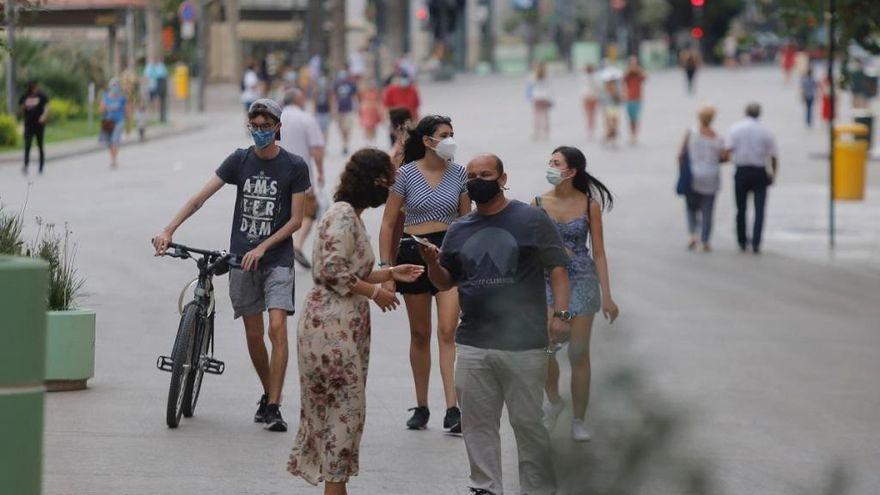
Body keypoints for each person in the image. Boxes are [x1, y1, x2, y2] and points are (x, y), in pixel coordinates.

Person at [152, 99, 310, 432]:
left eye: (266, 127)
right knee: (254, 334)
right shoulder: (240, 160)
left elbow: (296, 220)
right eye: (254, 126)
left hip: (277, 258)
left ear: (278, 127)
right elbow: (199, 198)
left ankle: (275, 406)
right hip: (241, 258)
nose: (260, 133)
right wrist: (168, 229)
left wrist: (265, 246)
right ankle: (269, 394)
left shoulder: (295, 166)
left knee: (276, 328)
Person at [421, 153, 571, 495]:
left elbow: (558, 268)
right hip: (474, 342)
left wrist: (561, 315)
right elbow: (445, 281)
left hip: (524, 343)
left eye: (485, 174)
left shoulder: (531, 219)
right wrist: (432, 263)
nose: (477, 180)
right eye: (472, 175)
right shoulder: (459, 228)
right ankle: (485, 487)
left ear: (502, 178)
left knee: (528, 423)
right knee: (478, 425)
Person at [287, 148, 424, 495]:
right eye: (387, 182)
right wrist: (375, 293)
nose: (390, 190)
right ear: (371, 182)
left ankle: (337, 488)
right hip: (330, 329)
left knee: (342, 416)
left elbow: (352, 270)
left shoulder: (352, 216)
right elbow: (331, 271)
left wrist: (391, 273)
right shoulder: (343, 214)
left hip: (341, 326)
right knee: (343, 415)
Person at [379, 115, 470, 432]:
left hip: (449, 251)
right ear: (428, 140)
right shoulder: (405, 175)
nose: (450, 140)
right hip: (413, 250)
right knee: (420, 333)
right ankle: (421, 405)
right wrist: (386, 269)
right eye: (444, 134)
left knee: (448, 330)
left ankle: (452, 407)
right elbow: (389, 223)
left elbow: (466, 220)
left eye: (452, 134)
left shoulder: (460, 174)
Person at [535, 146, 619, 443]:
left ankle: (579, 419)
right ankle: (554, 400)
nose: (551, 166)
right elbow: (528, 247)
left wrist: (607, 295)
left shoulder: (589, 205)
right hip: (547, 281)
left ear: (571, 171)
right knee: (545, 348)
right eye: (550, 161)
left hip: (582, 281)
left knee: (578, 353)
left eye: (556, 162)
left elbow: (599, 252)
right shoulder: (537, 203)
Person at [280, 89, 326, 270]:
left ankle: (283, 247)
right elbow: (316, 149)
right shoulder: (307, 119)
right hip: (302, 176)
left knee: (282, 212)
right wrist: (321, 171)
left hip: (277, 173)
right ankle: (297, 245)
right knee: (308, 212)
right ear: (299, 100)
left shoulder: (276, 118)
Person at [725, 103, 779, 254]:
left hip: (741, 170)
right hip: (759, 171)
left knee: (740, 208)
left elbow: (728, 150)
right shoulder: (766, 131)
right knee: (759, 209)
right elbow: (773, 155)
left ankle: (742, 240)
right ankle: (756, 241)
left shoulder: (735, 129)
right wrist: (773, 173)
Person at [678, 106, 729, 251]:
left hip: (693, 175)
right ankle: (705, 240)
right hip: (711, 177)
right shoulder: (717, 138)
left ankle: (693, 233)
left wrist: (681, 171)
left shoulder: (691, 133)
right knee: (708, 209)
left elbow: (681, 154)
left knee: (691, 207)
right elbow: (725, 157)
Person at [19, 81, 49, 175]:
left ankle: (41, 166)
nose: (35, 88)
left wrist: (44, 116)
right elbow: (21, 107)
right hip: (28, 124)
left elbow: (47, 107)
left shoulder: (42, 96)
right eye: (33, 87)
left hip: (39, 125)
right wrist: (23, 108)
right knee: (27, 145)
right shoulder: (25, 96)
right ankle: (26, 165)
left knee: (40, 145)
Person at [99, 78, 129, 169]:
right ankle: (113, 158)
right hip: (109, 122)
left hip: (119, 122)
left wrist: (128, 124)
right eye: (113, 86)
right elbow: (100, 110)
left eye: (117, 86)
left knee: (115, 141)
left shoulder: (122, 98)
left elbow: (127, 111)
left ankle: (114, 160)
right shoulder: (106, 97)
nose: (115, 88)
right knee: (109, 142)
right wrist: (105, 107)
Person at [333, 70, 358, 155]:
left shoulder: (351, 84)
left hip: (348, 110)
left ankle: (345, 145)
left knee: (347, 128)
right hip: (340, 110)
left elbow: (354, 97)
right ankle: (344, 143)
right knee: (341, 129)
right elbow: (334, 97)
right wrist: (334, 109)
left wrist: (356, 108)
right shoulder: (337, 84)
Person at [622, 55, 646, 145]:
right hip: (629, 98)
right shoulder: (627, 73)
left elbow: (645, 77)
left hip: (638, 98)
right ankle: (631, 134)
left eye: (635, 63)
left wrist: (638, 69)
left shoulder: (639, 73)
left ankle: (634, 135)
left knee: (635, 118)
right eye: (632, 63)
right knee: (630, 118)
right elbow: (623, 79)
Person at [528, 62, 553, 141]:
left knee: (537, 116)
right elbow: (549, 88)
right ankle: (546, 133)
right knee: (545, 116)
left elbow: (530, 86)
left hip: (536, 97)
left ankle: (536, 133)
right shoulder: (547, 76)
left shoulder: (533, 75)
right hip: (545, 97)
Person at [143, 57, 169, 122]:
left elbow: (165, 76)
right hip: (151, 87)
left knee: (158, 101)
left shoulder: (161, 66)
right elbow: (146, 77)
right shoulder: (149, 67)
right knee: (151, 101)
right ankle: (151, 114)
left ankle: (158, 115)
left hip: (159, 87)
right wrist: (145, 87)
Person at [358, 78, 382, 143]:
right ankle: (367, 140)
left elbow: (378, 102)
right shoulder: (364, 92)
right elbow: (361, 102)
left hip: (373, 112)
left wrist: (380, 112)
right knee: (367, 126)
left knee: (373, 127)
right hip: (366, 111)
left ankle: (373, 140)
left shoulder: (375, 93)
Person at [581, 64, 601, 140]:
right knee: (591, 115)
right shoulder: (594, 77)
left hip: (589, 97)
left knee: (589, 115)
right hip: (591, 97)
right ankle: (591, 129)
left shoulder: (585, 77)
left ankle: (590, 129)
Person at [312, 74, 333, 139]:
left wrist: (331, 111)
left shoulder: (328, 91)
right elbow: (315, 102)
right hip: (319, 112)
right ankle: (321, 143)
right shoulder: (316, 91)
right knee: (319, 129)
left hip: (326, 112)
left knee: (325, 129)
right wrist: (314, 111)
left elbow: (330, 101)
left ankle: (325, 143)